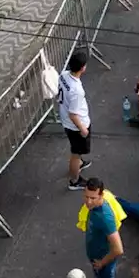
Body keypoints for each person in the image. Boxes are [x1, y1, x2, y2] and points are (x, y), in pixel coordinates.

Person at [59, 52, 93, 190]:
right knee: (76, 153)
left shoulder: (63, 75)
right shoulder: (76, 90)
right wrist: (83, 129)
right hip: (76, 126)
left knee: (77, 150)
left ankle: (79, 163)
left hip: (66, 121)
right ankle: (75, 180)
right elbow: (73, 114)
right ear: (83, 68)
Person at [82, 178, 125, 278]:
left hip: (102, 259)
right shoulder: (95, 206)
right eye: (86, 196)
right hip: (96, 252)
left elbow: (118, 249)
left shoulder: (105, 218)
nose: (88, 202)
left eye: (93, 198)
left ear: (101, 196)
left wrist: (101, 263)